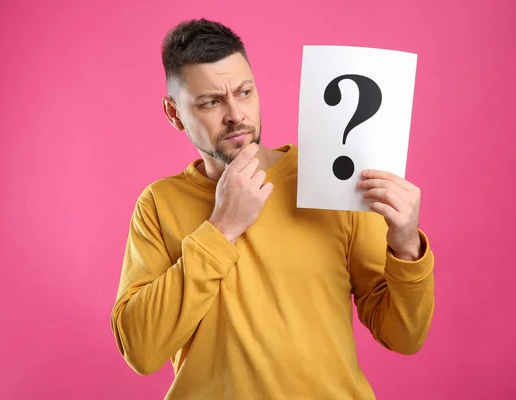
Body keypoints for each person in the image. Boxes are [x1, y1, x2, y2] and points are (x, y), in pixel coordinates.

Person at [111, 18, 435, 400]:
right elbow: (141, 351)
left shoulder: (331, 178)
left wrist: (406, 245)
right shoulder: (158, 204)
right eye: (211, 102)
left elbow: (404, 336)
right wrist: (222, 227)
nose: (235, 114)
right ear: (174, 113)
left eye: (244, 92)